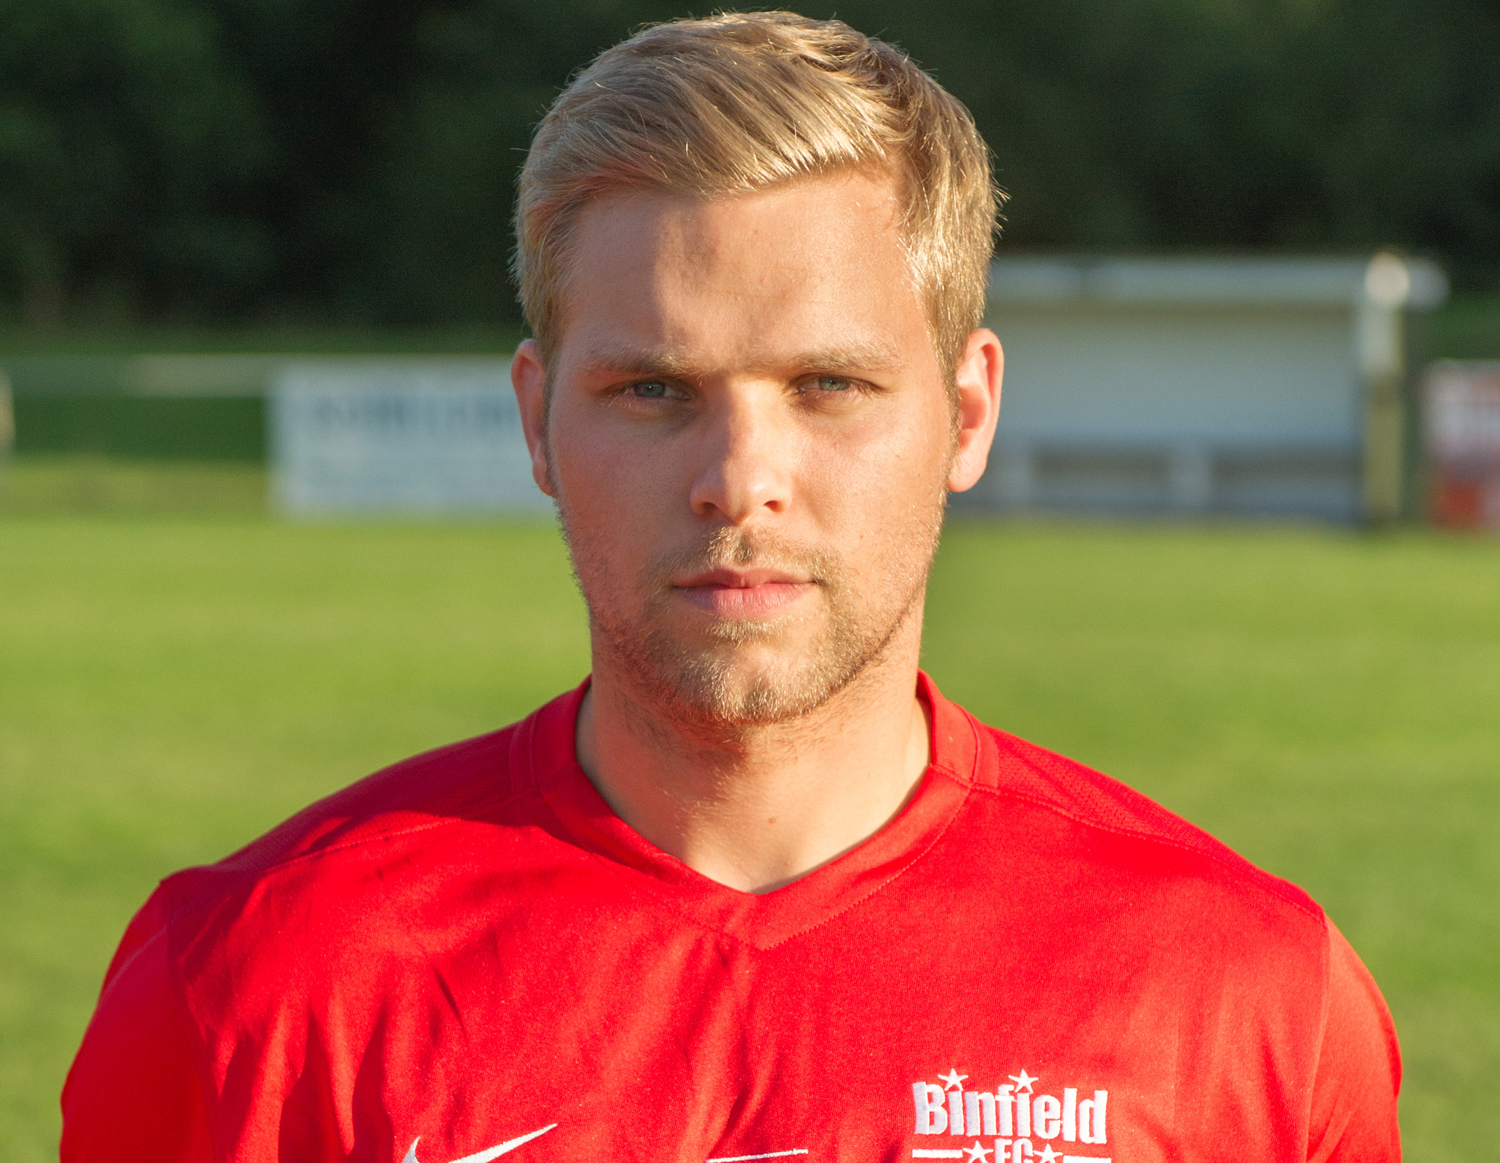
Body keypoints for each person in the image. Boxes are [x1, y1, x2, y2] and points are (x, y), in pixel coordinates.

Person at [62, 12, 1400, 1162]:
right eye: (652, 391)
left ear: (969, 412)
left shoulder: (1243, 991)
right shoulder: (251, 980)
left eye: (830, 387)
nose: (739, 478)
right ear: (537, 424)